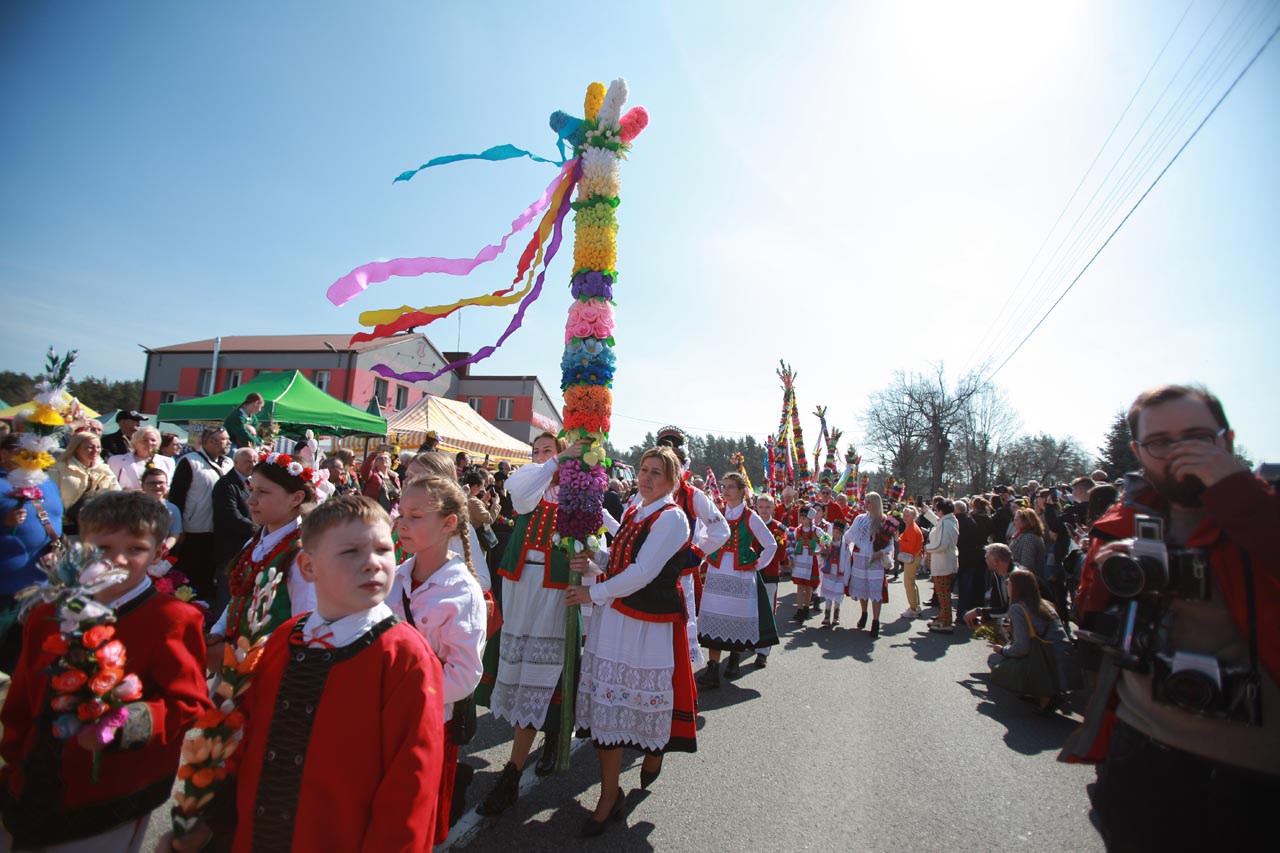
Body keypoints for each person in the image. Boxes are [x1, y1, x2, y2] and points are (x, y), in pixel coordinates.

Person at [1062, 384, 1280, 850]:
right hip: (1142, 755)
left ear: (1227, 439)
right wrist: (1109, 571)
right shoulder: (1125, 519)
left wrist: (1238, 494)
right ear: (1139, 452)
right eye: (1160, 442)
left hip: (1255, 775)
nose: (1180, 452)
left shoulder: (1266, 506)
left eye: (1196, 437)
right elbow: (1094, 619)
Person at [192, 495, 445, 852]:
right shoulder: (283, 639)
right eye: (350, 552)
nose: (373, 563)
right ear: (308, 567)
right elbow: (244, 739)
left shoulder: (406, 659)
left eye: (383, 550)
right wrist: (207, 821)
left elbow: (410, 791)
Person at [0, 491, 211, 850]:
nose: (118, 559)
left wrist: (123, 726)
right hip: (31, 782)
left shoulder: (173, 619)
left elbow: (188, 703)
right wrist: (15, 754)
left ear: (158, 552)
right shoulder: (47, 614)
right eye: (103, 547)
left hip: (111, 793)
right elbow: (23, 693)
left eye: (135, 549)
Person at [566, 446, 696, 836]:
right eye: (643, 469)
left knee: (636, 707)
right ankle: (610, 794)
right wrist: (596, 560)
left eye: (657, 472)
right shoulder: (635, 510)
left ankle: (654, 752)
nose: (646, 477)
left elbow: (642, 572)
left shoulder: (673, 518)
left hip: (644, 626)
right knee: (607, 712)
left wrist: (593, 592)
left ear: (672, 481)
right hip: (616, 619)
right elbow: (622, 560)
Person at [476, 432, 580, 816]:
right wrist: (554, 462)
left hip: (554, 586)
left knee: (544, 668)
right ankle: (531, 745)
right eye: (536, 450)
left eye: (547, 450)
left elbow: (600, 536)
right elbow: (520, 496)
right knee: (518, 664)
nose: (539, 455)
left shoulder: (577, 492)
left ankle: (520, 764)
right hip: (521, 580)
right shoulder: (529, 478)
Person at [390, 477, 486, 845]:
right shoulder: (395, 577)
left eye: (415, 516)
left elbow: (464, 675)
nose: (403, 524)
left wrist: (406, 695)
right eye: (401, 514)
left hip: (427, 725)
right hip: (384, 718)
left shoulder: (462, 592)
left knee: (412, 825)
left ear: (448, 523)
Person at [205, 452, 318, 666]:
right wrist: (218, 631)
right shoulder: (254, 543)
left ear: (296, 498)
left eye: (263, 492)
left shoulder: (302, 555)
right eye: (251, 490)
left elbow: (304, 627)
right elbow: (238, 598)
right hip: (236, 667)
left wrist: (240, 655)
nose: (251, 500)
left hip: (271, 668)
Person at [696, 472, 778, 687]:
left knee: (737, 617)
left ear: (742, 491)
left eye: (731, 486)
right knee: (714, 617)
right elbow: (703, 537)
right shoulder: (718, 513)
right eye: (724, 486)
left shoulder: (750, 516)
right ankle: (713, 667)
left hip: (740, 575)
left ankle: (734, 659)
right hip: (717, 573)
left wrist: (757, 565)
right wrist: (700, 558)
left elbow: (771, 544)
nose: (726, 490)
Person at [0, 434, 64, 674]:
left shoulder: (47, 483)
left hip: (41, 587)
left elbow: (57, 516)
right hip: (5, 589)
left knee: (26, 659)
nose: (32, 457)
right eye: (23, 451)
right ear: (4, 454)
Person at [987, 567, 1073, 713]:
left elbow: (1022, 648)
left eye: (1009, 583)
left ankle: (1042, 695)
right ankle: (1047, 692)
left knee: (994, 660)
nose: (1007, 585)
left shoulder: (1017, 608)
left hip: (1044, 661)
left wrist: (1002, 650)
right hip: (1062, 662)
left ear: (1016, 587)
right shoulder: (1046, 604)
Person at [168, 426, 233, 604]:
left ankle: (205, 608)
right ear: (210, 441)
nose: (229, 442)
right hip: (194, 530)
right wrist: (178, 528)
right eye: (224, 439)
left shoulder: (228, 463)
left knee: (209, 574)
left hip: (218, 530)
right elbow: (177, 496)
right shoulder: (190, 462)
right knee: (191, 574)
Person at [211, 446, 257, 618]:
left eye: (255, 461)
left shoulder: (252, 483)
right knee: (226, 593)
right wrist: (256, 529)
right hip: (230, 548)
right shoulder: (226, 485)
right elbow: (230, 515)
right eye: (248, 461)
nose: (252, 465)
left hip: (247, 547)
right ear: (236, 462)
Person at [50, 430, 120, 537]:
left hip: (96, 526)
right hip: (65, 526)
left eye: (98, 447)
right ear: (76, 448)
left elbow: (116, 493)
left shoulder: (104, 469)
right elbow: (51, 495)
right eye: (90, 447)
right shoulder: (59, 468)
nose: (95, 451)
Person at [847, 492, 892, 638]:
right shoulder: (859, 519)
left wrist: (880, 552)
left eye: (869, 502)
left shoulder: (884, 521)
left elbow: (890, 544)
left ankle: (876, 621)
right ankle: (864, 613)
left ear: (876, 503)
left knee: (875, 590)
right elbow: (849, 535)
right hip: (860, 559)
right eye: (865, 501)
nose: (865, 504)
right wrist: (837, 542)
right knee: (862, 588)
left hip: (875, 561)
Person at [752, 493, 788, 667]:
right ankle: (751, 639)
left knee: (767, 610)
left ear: (773, 508)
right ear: (756, 508)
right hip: (751, 574)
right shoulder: (751, 524)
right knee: (751, 609)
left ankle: (763, 651)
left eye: (767, 507)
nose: (764, 510)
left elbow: (780, 555)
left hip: (770, 574)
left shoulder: (779, 528)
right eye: (760, 507)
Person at [924, 498, 958, 633]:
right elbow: (938, 523)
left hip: (943, 563)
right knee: (943, 595)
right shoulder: (950, 521)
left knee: (943, 596)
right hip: (947, 561)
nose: (936, 512)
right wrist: (927, 512)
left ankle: (946, 622)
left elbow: (941, 544)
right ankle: (943, 618)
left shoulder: (946, 523)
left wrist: (927, 547)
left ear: (941, 511)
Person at [107, 426, 175, 491]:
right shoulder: (116, 461)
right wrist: (132, 492)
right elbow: (110, 487)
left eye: (153, 440)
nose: (149, 443)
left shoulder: (168, 462)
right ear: (135, 443)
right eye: (145, 440)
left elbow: (170, 487)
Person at [790, 508, 824, 620]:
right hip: (799, 560)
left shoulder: (817, 530)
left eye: (804, 518)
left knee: (809, 586)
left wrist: (819, 551)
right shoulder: (797, 530)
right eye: (801, 518)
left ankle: (806, 608)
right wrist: (791, 559)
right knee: (800, 586)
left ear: (810, 519)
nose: (802, 520)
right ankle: (799, 609)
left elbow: (827, 541)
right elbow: (791, 544)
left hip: (811, 560)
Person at [139, 467, 182, 554]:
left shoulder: (173, 509)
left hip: (160, 554)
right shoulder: (133, 507)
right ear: (143, 486)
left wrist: (164, 548)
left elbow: (174, 534)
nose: (157, 486)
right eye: (152, 483)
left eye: (161, 483)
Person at [954, 499, 986, 619]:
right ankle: (963, 613)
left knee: (957, 588)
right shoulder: (970, 520)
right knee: (965, 588)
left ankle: (957, 614)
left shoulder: (958, 522)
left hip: (962, 557)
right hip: (970, 558)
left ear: (957, 510)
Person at [818, 517, 850, 627]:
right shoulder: (828, 544)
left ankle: (836, 615)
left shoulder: (845, 547)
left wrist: (846, 576)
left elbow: (847, 561)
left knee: (837, 595)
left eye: (838, 533)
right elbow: (822, 558)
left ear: (842, 534)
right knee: (828, 595)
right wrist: (824, 553)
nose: (835, 535)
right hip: (829, 572)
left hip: (839, 574)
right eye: (834, 532)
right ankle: (827, 615)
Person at [897, 505, 926, 619]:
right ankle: (915, 606)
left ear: (914, 516)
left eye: (908, 515)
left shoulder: (912, 528)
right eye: (904, 515)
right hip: (914, 556)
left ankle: (913, 608)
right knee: (911, 582)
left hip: (913, 557)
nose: (905, 517)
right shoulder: (911, 526)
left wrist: (900, 540)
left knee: (909, 583)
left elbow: (910, 546)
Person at [1008, 508, 1047, 577]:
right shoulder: (1021, 534)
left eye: (1016, 520)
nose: (1014, 523)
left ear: (1026, 521)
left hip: (1025, 578)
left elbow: (1027, 565)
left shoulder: (1029, 538)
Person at [362, 450, 400, 515]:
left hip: (391, 513)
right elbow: (364, 469)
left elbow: (398, 494)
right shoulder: (372, 475)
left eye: (386, 458)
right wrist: (374, 453)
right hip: (374, 511)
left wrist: (398, 497)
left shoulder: (394, 477)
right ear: (375, 463)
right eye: (381, 458)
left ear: (389, 463)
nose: (384, 459)